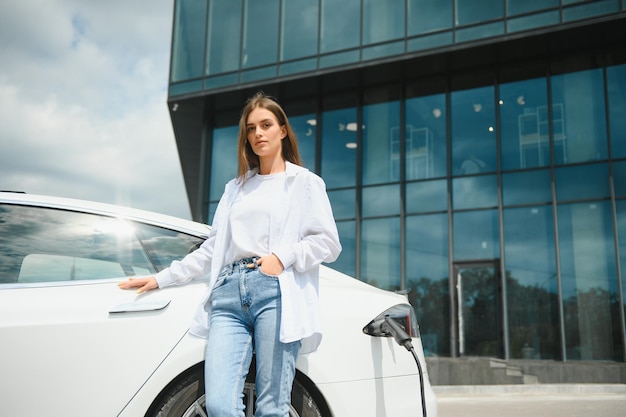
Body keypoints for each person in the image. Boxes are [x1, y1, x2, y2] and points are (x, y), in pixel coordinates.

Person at [119, 91, 342, 417]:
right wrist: (161, 278)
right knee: (221, 405)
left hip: (275, 292)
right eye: (251, 129)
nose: (258, 134)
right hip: (227, 295)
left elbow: (327, 242)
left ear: (282, 130)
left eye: (265, 125)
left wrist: (282, 257)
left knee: (272, 407)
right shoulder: (235, 188)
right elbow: (212, 248)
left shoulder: (304, 183)